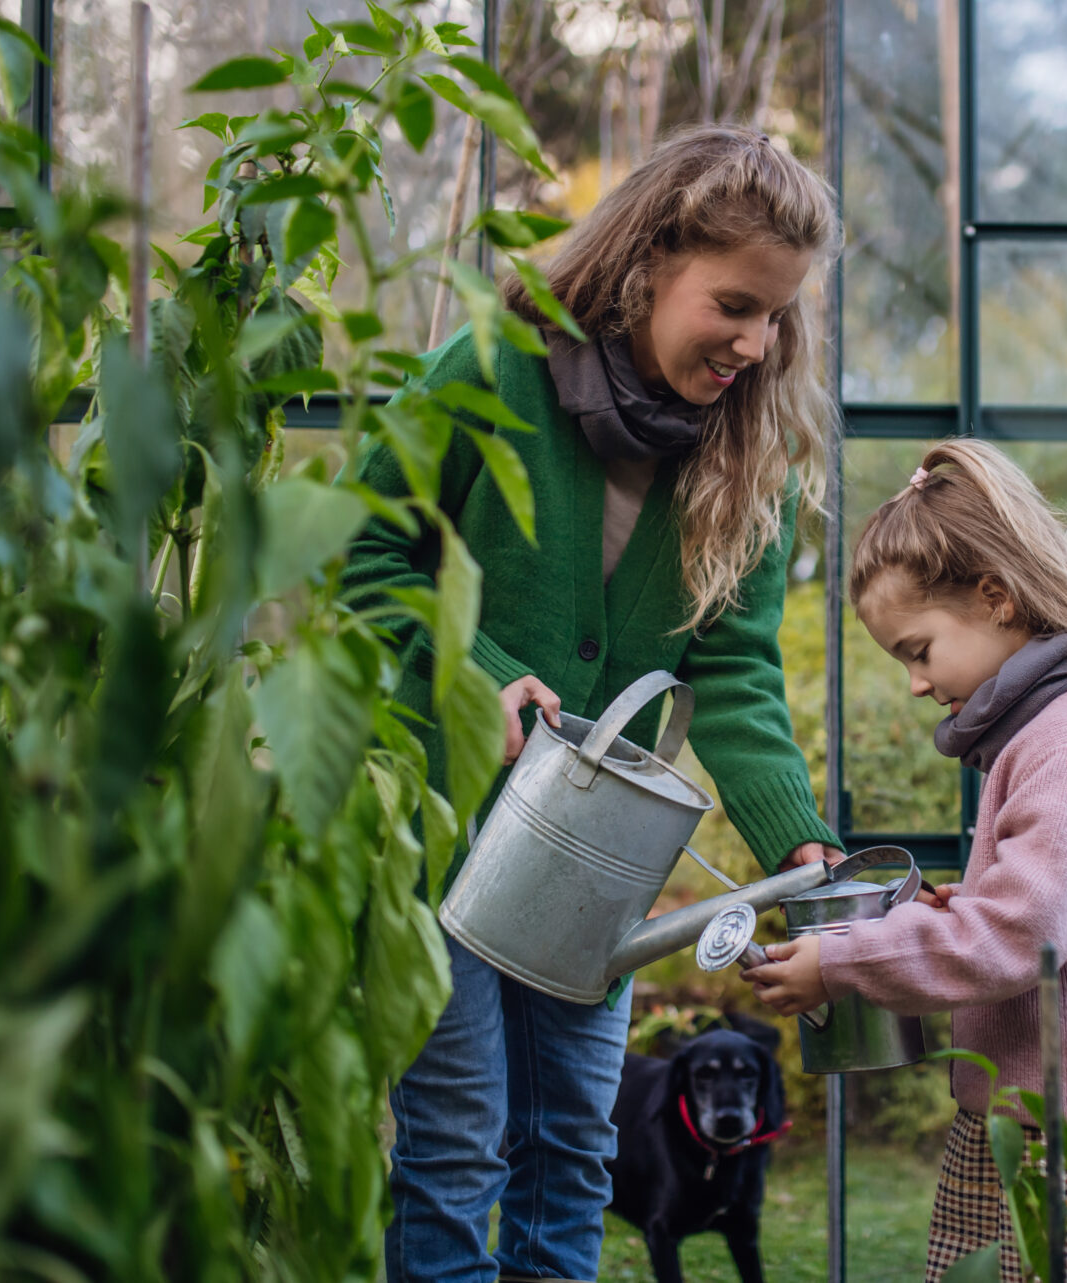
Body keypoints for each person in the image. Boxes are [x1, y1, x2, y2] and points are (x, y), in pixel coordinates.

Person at [343, 125, 844, 1283]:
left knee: (571, 1142)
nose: (755, 344)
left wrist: (795, 837)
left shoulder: (746, 452)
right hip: (447, 825)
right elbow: (368, 565)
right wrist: (473, 683)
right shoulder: (489, 366)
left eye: (776, 317)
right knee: (457, 1144)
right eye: (733, 304)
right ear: (648, 257)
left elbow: (736, 670)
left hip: (594, 864)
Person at [744, 440, 1067, 1283]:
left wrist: (844, 963)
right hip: (1045, 1118)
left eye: (917, 649)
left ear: (996, 598)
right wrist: (960, 902)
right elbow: (1055, 907)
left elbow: (1023, 935)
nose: (915, 684)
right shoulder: (1052, 730)